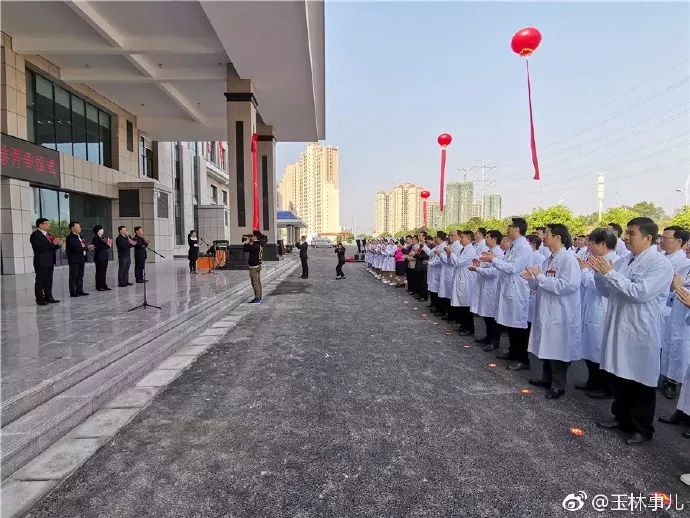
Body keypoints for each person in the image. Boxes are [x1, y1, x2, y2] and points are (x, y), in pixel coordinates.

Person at [591, 217, 674, 445]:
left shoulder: (660, 264)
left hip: (641, 330)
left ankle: (642, 428)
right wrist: (600, 275)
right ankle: (621, 418)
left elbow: (641, 293)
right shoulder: (624, 260)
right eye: (626, 233)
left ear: (648, 238)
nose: (625, 238)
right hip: (619, 325)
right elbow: (608, 292)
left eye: (631, 233)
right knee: (619, 374)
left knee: (639, 380)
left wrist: (609, 274)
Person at [523, 224, 582, 400]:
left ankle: (558, 385)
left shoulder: (568, 259)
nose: (544, 236)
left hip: (560, 312)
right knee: (547, 345)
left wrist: (540, 277)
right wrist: (531, 279)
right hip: (546, 310)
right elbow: (540, 283)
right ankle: (546, 378)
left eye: (547, 233)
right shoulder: (547, 259)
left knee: (558, 348)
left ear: (558, 237)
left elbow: (569, 285)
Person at [480, 218, 532, 371]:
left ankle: (523, 359)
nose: (507, 229)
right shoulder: (514, 245)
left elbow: (513, 268)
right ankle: (512, 352)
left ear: (517, 229)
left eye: (509, 226)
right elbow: (506, 262)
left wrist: (494, 259)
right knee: (510, 323)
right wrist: (491, 259)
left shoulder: (523, 247)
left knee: (518, 325)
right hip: (509, 288)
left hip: (516, 290)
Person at [577, 228, 618, 399]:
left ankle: (605, 386)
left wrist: (586, 271)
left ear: (602, 244)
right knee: (589, 346)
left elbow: (599, 287)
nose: (589, 245)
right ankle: (592, 380)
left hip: (601, 309)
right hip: (591, 306)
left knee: (599, 349)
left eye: (592, 243)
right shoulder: (596, 259)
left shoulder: (613, 261)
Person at [659, 225, 690, 398]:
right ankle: (665, 377)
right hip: (668, 308)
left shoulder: (683, 263)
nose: (662, 240)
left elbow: (680, 289)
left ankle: (673, 382)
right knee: (666, 346)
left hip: (680, 314)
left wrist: (677, 288)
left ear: (679, 241)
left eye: (666, 238)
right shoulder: (663, 259)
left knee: (679, 348)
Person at [470, 229, 504, 350]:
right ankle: (488, 337)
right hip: (485, 285)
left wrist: (477, 270)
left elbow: (494, 272)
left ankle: (494, 341)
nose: (486, 240)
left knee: (491, 315)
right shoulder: (489, 251)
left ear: (494, 239)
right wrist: (478, 265)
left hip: (492, 287)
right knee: (485, 314)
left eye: (488, 237)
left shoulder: (498, 254)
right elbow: (485, 266)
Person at [451, 230, 478, 336]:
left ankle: (469, 328)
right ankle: (463, 325)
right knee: (461, 304)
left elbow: (458, 262)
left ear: (469, 238)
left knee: (466, 305)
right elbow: (454, 261)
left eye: (462, 237)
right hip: (460, 277)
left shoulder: (470, 250)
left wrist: (450, 253)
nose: (460, 239)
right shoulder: (463, 249)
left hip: (466, 280)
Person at [30, 218, 61, 305]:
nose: (49, 225)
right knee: (40, 281)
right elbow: (39, 248)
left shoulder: (49, 235)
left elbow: (51, 247)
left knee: (49, 280)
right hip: (41, 261)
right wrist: (54, 245)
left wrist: (57, 245)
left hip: (50, 261)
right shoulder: (35, 235)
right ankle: (39, 299)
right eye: (47, 223)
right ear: (40, 225)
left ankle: (49, 297)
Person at [438, 230, 461, 320]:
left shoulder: (458, 247)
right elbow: (447, 260)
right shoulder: (450, 246)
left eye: (452, 235)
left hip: (452, 272)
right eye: (450, 235)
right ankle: (449, 315)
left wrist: (446, 254)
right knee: (447, 294)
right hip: (447, 271)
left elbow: (454, 262)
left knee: (451, 295)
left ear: (458, 236)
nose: (450, 237)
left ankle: (454, 317)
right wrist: (443, 255)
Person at [65, 221, 91, 297]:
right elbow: (74, 248)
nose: (80, 228)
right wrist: (86, 248)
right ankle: (72, 292)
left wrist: (88, 247)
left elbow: (83, 246)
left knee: (80, 275)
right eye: (78, 227)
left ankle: (79, 290)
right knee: (73, 276)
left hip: (81, 259)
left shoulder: (80, 236)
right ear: (72, 228)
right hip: (74, 259)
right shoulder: (70, 237)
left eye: (80, 227)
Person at [243, 230, 266, 303]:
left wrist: (249, 242)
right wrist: (251, 242)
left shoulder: (255, 245)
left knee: (254, 282)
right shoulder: (259, 244)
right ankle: (259, 296)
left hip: (254, 266)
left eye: (253, 235)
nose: (251, 236)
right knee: (258, 282)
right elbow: (248, 248)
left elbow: (245, 249)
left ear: (255, 237)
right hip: (258, 265)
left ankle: (257, 298)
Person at [92, 225, 112, 291]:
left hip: (104, 257)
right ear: (98, 231)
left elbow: (106, 245)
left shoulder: (102, 238)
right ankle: (99, 286)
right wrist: (107, 245)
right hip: (99, 257)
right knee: (99, 272)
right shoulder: (95, 238)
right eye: (101, 229)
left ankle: (104, 285)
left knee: (104, 272)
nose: (103, 230)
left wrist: (108, 244)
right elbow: (97, 247)